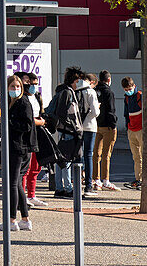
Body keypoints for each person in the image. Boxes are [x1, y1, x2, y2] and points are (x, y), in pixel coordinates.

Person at [5, 74, 40, 232]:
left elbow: (27, 125)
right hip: (14, 146)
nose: (15, 89)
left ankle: (12, 220)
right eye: (12, 87)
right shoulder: (9, 102)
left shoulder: (22, 102)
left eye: (17, 87)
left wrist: (7, 121)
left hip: (21, 148)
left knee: (13, 183)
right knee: (17, 183)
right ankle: (25, 219)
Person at [50, 67, 84, 198]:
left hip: (65, 131)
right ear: (73, 80)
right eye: (77, 80)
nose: (79, 83)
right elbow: (63, 113)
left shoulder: (64, 91)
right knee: (67, 161)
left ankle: (60, 188)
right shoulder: (68, 93)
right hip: (68, 131)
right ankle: (68, 188)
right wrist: (73, 127)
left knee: (61, 161)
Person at [20, 72, 48, 207]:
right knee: (26, 166)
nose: (32, 86)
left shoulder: (36, 96)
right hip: (27, 133)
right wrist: (38, 122)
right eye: (30, 83)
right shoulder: (22, 98)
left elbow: (39, 112)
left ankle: (31, 195)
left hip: (38, 132)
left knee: (36, 166)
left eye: (35, 84)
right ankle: (23, 195)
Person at [93, 70, 118, 191]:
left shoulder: (95, 90)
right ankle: (106, 180)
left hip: (96, 125)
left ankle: (96, 180)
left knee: (95, 154)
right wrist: (114, 125)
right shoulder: (109, 92)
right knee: (106, 154)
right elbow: (111, 110)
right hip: (108, 126)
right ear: (108, 80)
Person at [76, 72, 100, 196]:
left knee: (77, 155)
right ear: (92, 82)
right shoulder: (91, 92)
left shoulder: (75, 90)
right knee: (88, 155)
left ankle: (76, 184)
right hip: (90, 126)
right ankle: (88, 186)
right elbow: (95, 112)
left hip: (77, 127)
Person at [120, 76, 143, 190]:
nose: (128, 91)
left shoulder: (140, 96)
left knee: (144, 156)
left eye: (129, 88)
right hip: (131, 130)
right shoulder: (127, 98)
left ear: (134, 86)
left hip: (141, 129)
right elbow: (126, 114)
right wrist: (127, 127)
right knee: (136, 157)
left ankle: (144, 179)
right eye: (125, 90)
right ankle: (138, 179)